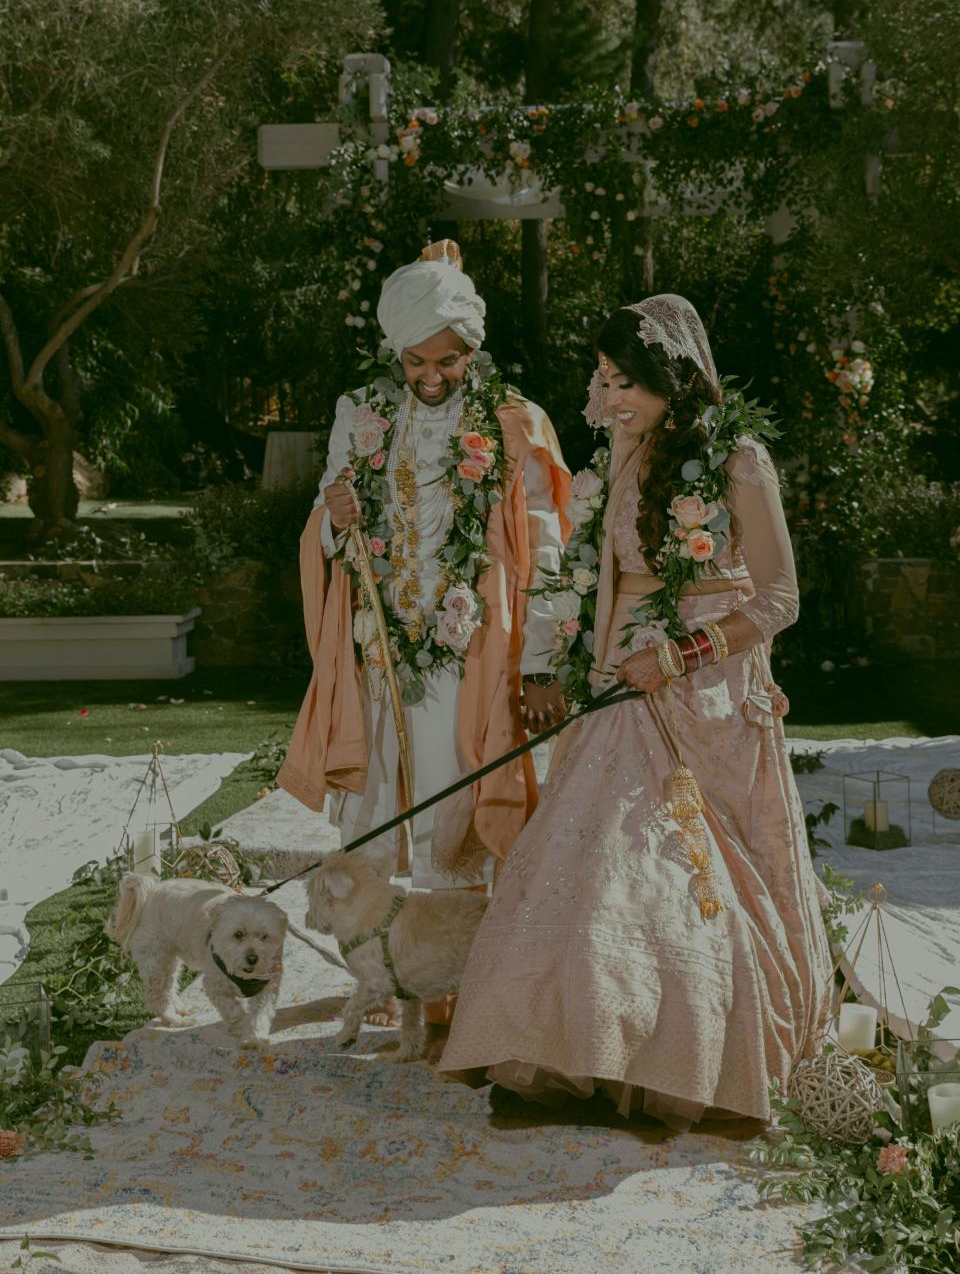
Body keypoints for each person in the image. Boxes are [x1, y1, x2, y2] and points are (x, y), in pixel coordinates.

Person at [439, 295, 833, 1127]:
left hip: (706, 698)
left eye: (628, 383)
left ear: (673, 380)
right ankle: (565, 1052)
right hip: (623, 688)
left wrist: (681, 655)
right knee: (592, 861)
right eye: (605, 379)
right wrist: (583, 661)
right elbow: (599, 574)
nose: (610, 398)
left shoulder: (739, 460)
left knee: (679, 871)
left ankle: (684, 1069)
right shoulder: (623, 455)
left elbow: (782, 598)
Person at [278, 239, 572, 1021]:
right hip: (380, 651)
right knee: (377, 807)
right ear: (395, 354)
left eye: (448, 362)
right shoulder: (360, 415)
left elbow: (549, 555)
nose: (432, 378)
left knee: (457, 806)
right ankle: (380, 975)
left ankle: (456, 986)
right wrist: (335, 520)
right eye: (415, 363)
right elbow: (330, 520)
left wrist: (541, 663)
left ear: (472, 350)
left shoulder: (516, 424)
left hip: (471, 655)